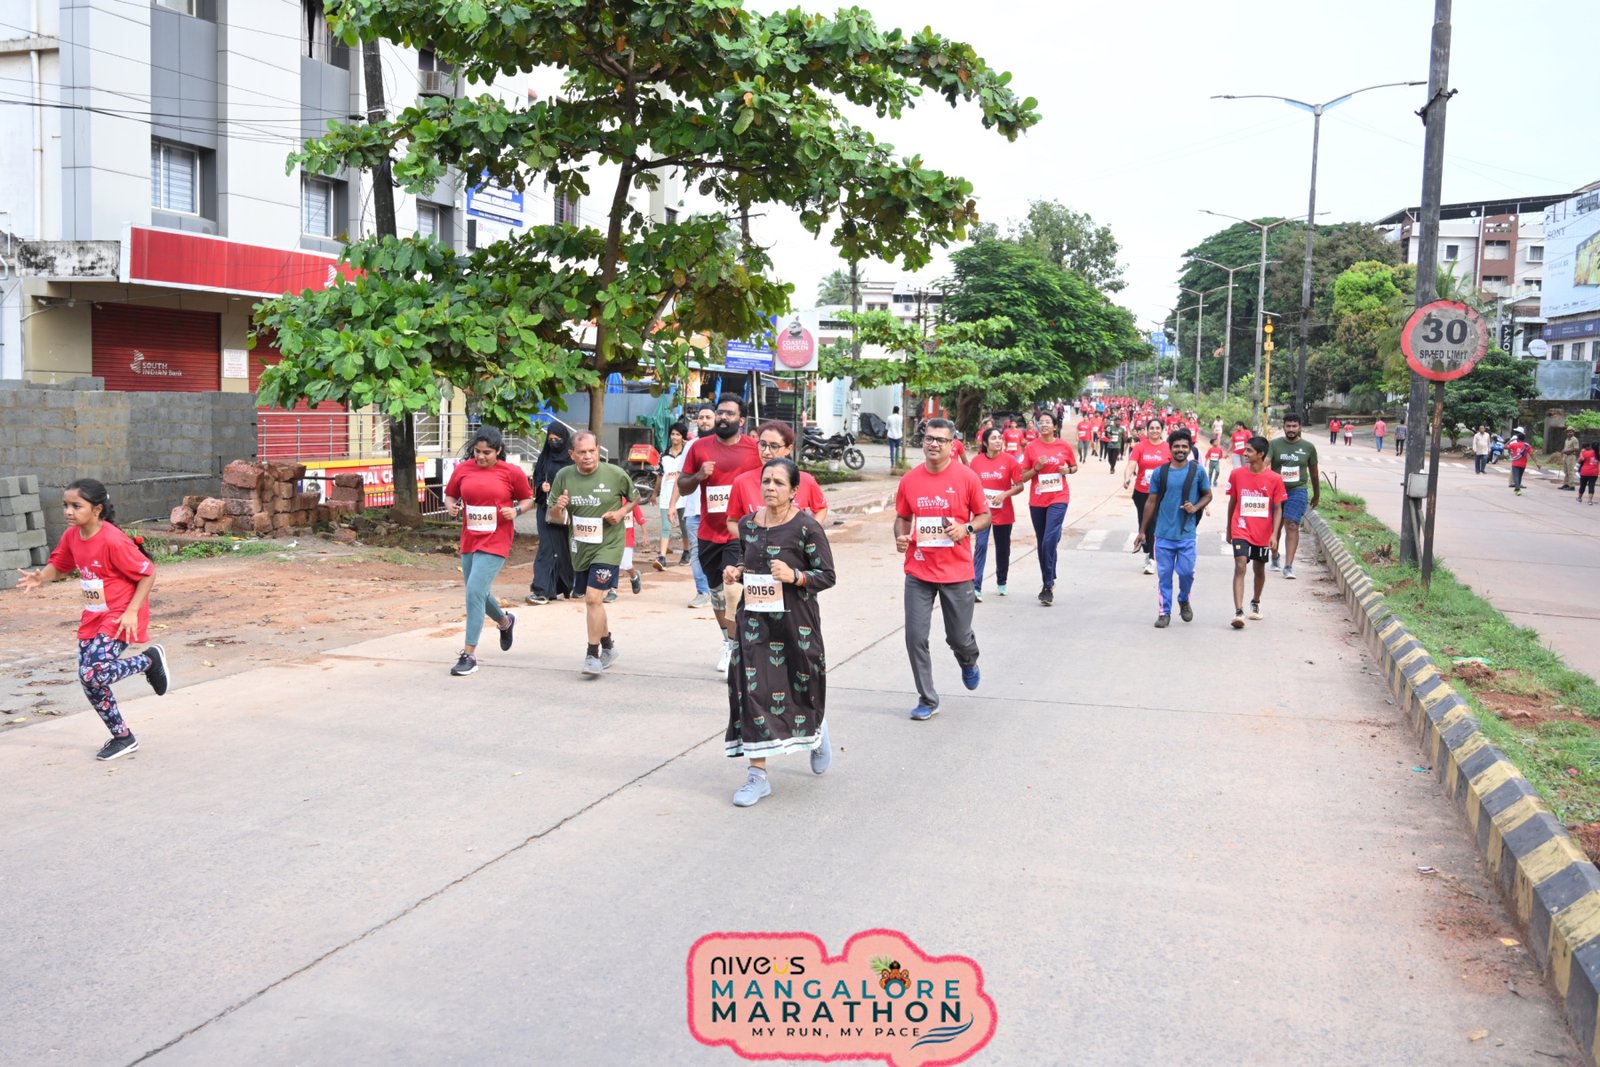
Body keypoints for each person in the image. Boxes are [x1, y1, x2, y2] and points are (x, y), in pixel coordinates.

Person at [17, 478, 170, 760]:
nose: (68, 511)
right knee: (89, 679)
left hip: (121, 613)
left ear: (97, 509)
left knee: (93, 672)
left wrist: (132, 611)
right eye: (66, 505)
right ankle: (123, 737)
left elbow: (148, 572)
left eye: (76, 506)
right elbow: (59, 565)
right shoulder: (72, 536)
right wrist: (41, 577)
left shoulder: (112, 539)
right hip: (94, 615)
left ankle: (149, 661)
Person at [722, 458, 838, 807]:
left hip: (795, 623)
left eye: (779, 483)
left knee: (801, 686)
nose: (770, 487)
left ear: (793, 490)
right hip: (753, 622)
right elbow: (748, 560)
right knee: (751, 691)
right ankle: (757, 776)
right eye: (766, 481)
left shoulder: (806, 528)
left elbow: (827, 575)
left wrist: (795, 576)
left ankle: (815, 730)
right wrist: (736, 571)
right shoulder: (748, 524)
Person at [894, 417, 988, 720]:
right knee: (915, 637)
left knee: (958, 637)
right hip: (919, 571)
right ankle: (928, 699)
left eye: (941, 440)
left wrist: (966, 529)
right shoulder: (910, 480)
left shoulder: (967, 477)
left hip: (957, 572)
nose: (934, 444)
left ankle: (968, 660)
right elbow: (903, 517)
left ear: (952, 445)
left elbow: (984, 516)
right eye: (929, 438)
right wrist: (900, 536)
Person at [677, 393, 762, 673]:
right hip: (708, 531)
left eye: (729, 413)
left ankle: (737, 650)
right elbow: (683, 486)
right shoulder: (699, 448)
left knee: (732, 589)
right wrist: (699, 476)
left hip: (739, 531)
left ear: (742, 420)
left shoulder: (754, 449)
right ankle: (728, 641)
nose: (723, 418)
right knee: (717, 595)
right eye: (720, 412)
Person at [443, 427, 534, 676]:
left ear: (498, 451)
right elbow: (450, 496)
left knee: (474, 591)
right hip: (470, 538)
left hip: (497, 539)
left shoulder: (511, 472)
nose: (481, 457)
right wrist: (451, 507)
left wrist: (516, 510)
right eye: (477, 452)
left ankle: (469, 655)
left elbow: (528, 499)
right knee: (478, 592)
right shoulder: (463, 469)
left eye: (487, 453)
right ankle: (505, 622)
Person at [547, 430, 638, 676]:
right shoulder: (563, 476)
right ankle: (608, 646)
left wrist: (620, 513)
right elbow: (553, 518)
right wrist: (557, 508)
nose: (588, 456)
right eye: (582, 452)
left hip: (609, 546)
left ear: (598, 450)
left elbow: (634, 498)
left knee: (592, 598)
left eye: (592, 451)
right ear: (572, 454)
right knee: (594, 601)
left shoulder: (615, 474)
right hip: (580, 547)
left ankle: (592, 655)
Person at [1134, 428, 1213, 627]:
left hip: (1186, 534)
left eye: (1184, 446)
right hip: (1163, 534)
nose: (1180, 449)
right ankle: (1164, 612)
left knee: (1187, 573)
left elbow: (1208, 495)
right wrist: (1142, 531)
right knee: (1164, 576)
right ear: (1170, 448)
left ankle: (1184, 599)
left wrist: (1195, 507)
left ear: (1190, 449)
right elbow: (1151, 501)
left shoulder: (1198, 471)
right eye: (1176, 446)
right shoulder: (1160, 472)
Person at [1226, 436, 1287, 629]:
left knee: (1259, 569)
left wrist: (1274, 534)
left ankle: (1256, 601)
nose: (1244, 453)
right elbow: (1232, 502)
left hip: (1262, 532)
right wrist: (1229, 528)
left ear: (1260, 454)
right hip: (1240, 528)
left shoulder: (1275, 479)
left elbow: (1278, 509)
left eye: (1249, 451)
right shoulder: (1236, 474)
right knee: (1240, 565)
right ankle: (1238, 612)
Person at [1019, 410, 1078, 605]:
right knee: (1042, 542)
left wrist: (1067, 470)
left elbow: (1074, 467)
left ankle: (1047, 585)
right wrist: (1036, 468)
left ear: (1055, 426)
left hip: (1059, 497)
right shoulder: (1031, 447)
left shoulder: (1063, 446)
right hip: (1037, 500)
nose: (1043, 425)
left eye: (1047, 422)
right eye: (1040, 422)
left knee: (1048, 540)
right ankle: (1049, 577)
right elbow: (1022, 477)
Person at [726, 421, 829, 524]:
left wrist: (810, 530)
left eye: (774, 446)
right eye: (762, 444)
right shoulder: (742, 482)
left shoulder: (806, 480)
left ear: (788, 449)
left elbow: (821, 508)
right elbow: (732, 521)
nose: (766, 452)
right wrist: (749, 534)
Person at [968, 426, 1023, 601]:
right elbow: (970, 486)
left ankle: (1002, 581)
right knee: (981, 545)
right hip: (982, 513)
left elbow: (1020, 486)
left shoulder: (1010, 461)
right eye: (993, 438)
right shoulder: (976, 462)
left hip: (1004, 512)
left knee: (1003, 548)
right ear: (985, 443)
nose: (998, 441)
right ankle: (976, 586)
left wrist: (1004, 495)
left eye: (1000, 438)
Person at [1266, 412, 1319, 580]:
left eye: (1294, 426)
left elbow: (1314, 473)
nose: (1291, 429)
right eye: (1288, 426)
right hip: (1276, 490)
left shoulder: (1308, 447)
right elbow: (1265, 463)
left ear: (1300, 427)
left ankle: (1288, 566)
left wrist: (1317, 494)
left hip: (1298, 489)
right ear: (1283, 427)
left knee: (1292, 524)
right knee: (1274, 526)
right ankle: (1275, 556)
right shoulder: (1274, 444)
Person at [527, 424, 576, 604]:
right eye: (551, 439)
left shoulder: (572, 459)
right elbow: (537, 478)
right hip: (546, 510)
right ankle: (541, 589)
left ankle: (564, 586)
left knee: (564, 549)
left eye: (557, 439)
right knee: (547, 547)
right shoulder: (545, 457)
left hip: (567, 510)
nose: (554, 442)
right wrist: (542, 486)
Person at [1124, 418, 1171, 576]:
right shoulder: (1140, 446)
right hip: (1142, 492)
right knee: (1144, 523)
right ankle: (1147, 546)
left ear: (1162, 430)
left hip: (1161, 493)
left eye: (1157, 428)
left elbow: (1175, 467)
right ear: (1147, 430)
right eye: (1151, 428)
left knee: (1154, 524)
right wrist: (1127, 478)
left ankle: (1151, 558)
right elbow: (1131, 464)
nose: (1154, 431)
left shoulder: (1168, 447)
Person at [678, 406, 715, 607]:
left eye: (708, 417)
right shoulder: (691, 446)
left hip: (720, 511)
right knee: (697, 552)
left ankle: (720, 590)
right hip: (694, 510)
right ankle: (703, 591)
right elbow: (681, 478)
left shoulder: (724, 444)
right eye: (701, 417)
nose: (704, 421)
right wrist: (673, 504)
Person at [654, 420, 690, 570]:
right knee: (666, 527)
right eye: (673, 434)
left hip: (684, 497)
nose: (674, 437)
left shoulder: (687, 453)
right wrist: (654, 493)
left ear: (683, 437)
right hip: (666, 497)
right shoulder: (663, 455)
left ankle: (686, 552)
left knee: (684, 527)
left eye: (678, 434)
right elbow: (660, 475)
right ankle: (662, 557)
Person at [610, 500, 648, 603]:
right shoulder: (611, 498)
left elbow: (640, 519)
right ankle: (612, 590)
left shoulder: (631, 501)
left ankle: (634, 576)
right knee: (613, 564)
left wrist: (645, 534)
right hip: (612, 538)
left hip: (627, 538)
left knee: (626, 565)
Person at [1507, 431, 1532, 495]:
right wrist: (1537, 463)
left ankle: (1518, 489)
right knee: (1519, 476)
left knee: (1516, 476)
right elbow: (1532, 454)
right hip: (1523, 464)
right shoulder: (1527, 445)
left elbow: (1504, 447)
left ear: (1517, 438)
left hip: (1515, 463)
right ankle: (1516, 489)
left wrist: (1510, 440)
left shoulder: (1514, 444)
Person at [886, 405, 904, 469]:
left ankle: (892, 464)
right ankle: (897, 464)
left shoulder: (889, 417)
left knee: (892, 450)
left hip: (891, 435)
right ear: (898, 411)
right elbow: (901, 426)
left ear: (893, 410)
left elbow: (887, 427)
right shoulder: (901, 417)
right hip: (899, 435)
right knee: (897, 450)